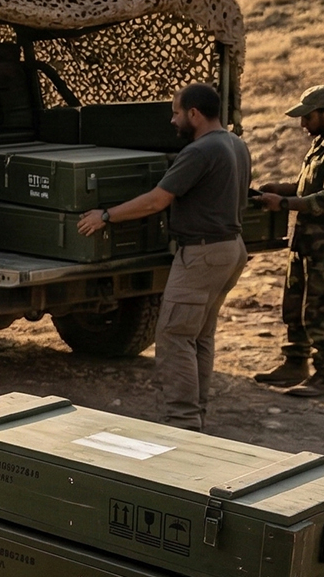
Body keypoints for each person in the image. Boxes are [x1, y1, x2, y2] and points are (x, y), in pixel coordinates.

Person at [76, 84, 249, 428]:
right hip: (230, 249)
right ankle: (195, 412)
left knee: (173, 335)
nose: (172, 120)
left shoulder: (199, 151)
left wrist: (105, 215)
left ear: (194, 114)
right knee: (199, 335)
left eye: (176, 112)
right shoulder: (235, 144)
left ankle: (182, 421)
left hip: (202, 253)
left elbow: (157, 200)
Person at [253, 84, 324, 398]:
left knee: (323, 308)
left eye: (308, 117)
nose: (303, 124)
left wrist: (283, 203)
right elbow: (309, 187)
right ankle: (295, 362)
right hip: (309, 240)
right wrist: (283, 189)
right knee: (295, 301)